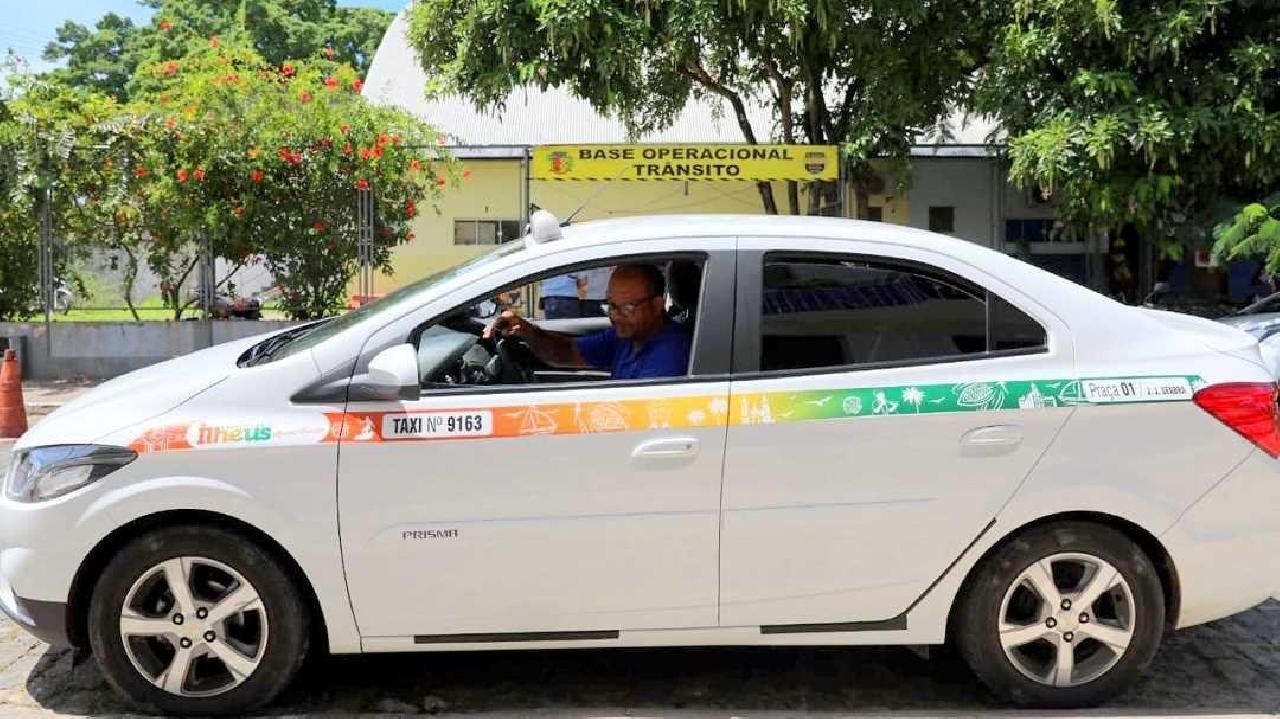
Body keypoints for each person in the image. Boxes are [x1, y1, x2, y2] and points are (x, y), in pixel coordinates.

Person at [485, 264, 691, 380]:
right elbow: (567, 352)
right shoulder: (626, 337)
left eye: (627, 308)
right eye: (611, 305)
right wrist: (526, 330)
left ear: (657, 305)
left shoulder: (670, 354)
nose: (616, 316)